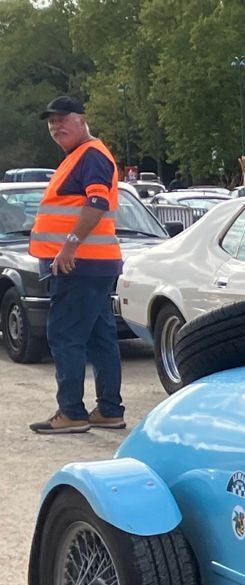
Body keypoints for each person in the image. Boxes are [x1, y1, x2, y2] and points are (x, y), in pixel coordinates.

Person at [27, 96, 126, 434]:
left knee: (64, 335)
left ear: (82, 119)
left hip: (79, 266)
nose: (56, 126)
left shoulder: (91, 156)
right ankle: (109, 410)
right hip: (92, 265)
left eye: (63, 118)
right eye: (51, 121)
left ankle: (71, 412)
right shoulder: (81, 157)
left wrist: (69, 246)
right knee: (100, 337)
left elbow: (96, 202)